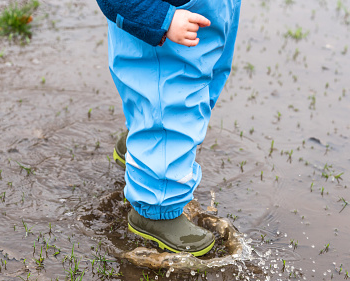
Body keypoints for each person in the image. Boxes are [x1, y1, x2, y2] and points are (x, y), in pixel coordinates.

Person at [96, 0, 241, 256]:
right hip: (163, 22)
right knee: (170, 102)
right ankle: (156, 209)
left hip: (213, 12)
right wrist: (162, 18)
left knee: (193, 89)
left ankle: (140, 143)